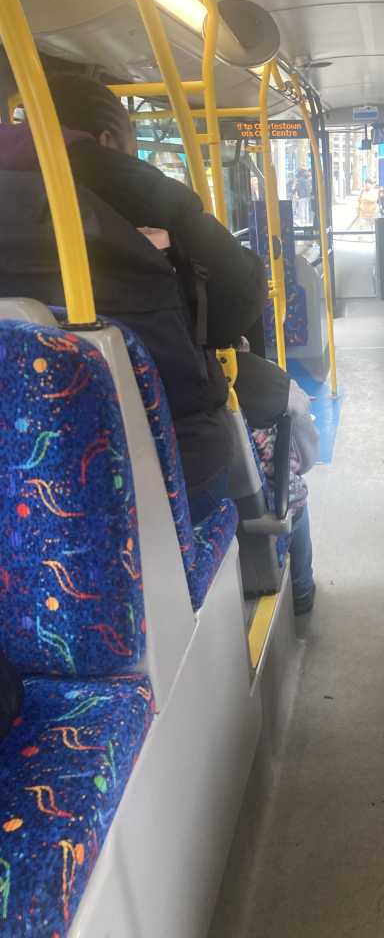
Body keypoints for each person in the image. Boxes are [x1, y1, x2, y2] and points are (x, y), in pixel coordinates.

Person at [0, 73, 267, 522]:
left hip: (15, 477)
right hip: (163, 463)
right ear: (106, 139)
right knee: (264, 418)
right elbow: (237, 300)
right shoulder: (143, 191)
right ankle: (286, 556)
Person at [235, 348, 319, 614]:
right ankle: (302, 590)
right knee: (297, 504)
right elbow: (306, 455)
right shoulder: (268, 380)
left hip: (210, 499)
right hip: (268, 499)